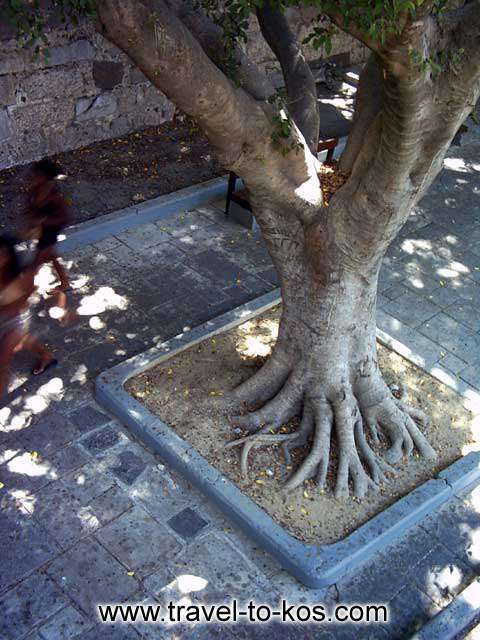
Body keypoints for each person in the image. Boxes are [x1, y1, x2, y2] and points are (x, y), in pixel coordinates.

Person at [0, 235, 57, 399]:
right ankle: (47, 356)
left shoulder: (22, 278)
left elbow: (18, 306)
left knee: (1, 364)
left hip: (14, 321)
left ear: (9, 258)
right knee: (24, 340)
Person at [25, 158, 70, 292]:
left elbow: (65, 217)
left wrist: (45, 222)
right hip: (43, 230)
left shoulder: (54, 196)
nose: (34, 177)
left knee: (36, 262)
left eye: (37, 175)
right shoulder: (36, 188)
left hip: (51, 231)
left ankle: (26, 290)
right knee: (51, 256)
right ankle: (65, 283)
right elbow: (32, 206)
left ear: (45, 177)